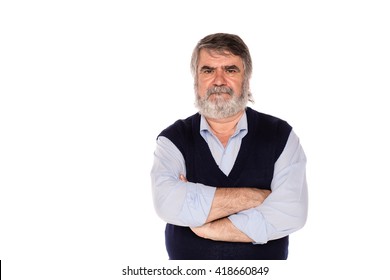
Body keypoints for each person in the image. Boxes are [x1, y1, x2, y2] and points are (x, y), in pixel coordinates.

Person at [150, 33, 308, 260]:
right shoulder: (172, 139)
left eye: (230, 70)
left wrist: (207, 226)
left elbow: (291, 212)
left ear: (247, 77)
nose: (219, 80)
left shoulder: (280, 136)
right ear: (196, 79)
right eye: (208, 70)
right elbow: (167, 203)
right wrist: (254, 197)